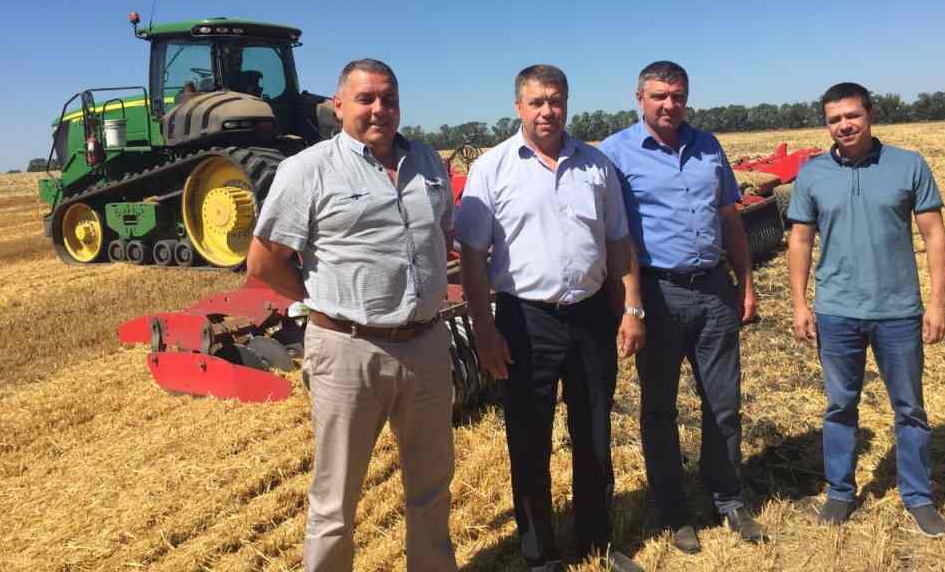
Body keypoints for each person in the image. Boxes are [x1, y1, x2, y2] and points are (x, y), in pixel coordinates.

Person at [247, 58, 458, 572]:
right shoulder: (308, 169)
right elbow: (263, 261)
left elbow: (442, 236)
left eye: (389, 98)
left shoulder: (428, 162)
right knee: (335, 500)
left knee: (431, 487)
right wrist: (325, 303)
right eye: (366, 99)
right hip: (348, 352)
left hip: (427, 345)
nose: (379, 109)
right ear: (338, 106)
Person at [455, 65, 646, 572]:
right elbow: (471, 256)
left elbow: (618, 241)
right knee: (528, 441)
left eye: (556, 101)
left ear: (567, 104)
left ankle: (596, 541)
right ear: (518, 106)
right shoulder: (492, 169)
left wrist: (631, 307)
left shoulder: (596, 166)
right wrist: (484, 330)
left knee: (594, 433)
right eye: (537, 102)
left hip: (591, 317)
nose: (547, 111)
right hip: (524, 321)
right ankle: (540, 554)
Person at [599, 61, 764, 554]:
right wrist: (628, 307)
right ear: (639, 99)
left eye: (677, 95)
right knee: (659, 408)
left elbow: (729, 218)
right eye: (659, 96)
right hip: (657, 293)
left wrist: (746, 284)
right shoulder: (615, 153)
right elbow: (613, 235)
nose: (669, 104)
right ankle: (673, 508)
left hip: (714, 289)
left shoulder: (708, 146)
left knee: (723, 402)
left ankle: (728, 496)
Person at [787, 81, 945, 537]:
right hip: (836, 311)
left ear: (870, 115)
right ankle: (840, 492)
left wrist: (938, 302)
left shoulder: (908, 165)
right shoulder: (812, 173)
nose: (844, 125)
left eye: (852, 116)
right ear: (827, 124)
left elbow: (934, 235)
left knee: (910, 408)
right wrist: (799, 303)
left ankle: (918, 496)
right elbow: (800, 241)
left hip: (898, 310)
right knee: (840, 406)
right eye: (835, 119)